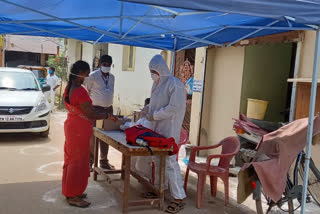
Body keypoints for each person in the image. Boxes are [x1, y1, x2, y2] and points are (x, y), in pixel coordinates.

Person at [63, 60, 117, 208]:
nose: (87, 76)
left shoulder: (69, 87)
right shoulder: (79, 91)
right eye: (86, 74)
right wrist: (107, 116)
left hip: (72, 126)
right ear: (80, 73)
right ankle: (73, 195)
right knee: (77, 162)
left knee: (71, 159)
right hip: (78, 130)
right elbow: (90, 113)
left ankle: (72, 191)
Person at [144, 54, 187, 213]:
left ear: (161, 69)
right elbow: (153, 104)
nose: (152, 73)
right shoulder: (156, 84)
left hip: (169, 129)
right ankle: (158, 190)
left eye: (154, 70)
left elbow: (173, 108)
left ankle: (179, 197)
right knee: (156, 160)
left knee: (169, 163)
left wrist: (154, 115)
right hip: (157, 129)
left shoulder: (174, 84)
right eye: (151, 71)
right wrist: (146, 110)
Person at [84, 55, 115, 170]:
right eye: (104, 64)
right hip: (95, 109)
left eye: (108, 65)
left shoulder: (112, 77)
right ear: (100, 64)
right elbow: (87, 92)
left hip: (108, 110)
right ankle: (90, 162)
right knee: (93, 136)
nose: (106, 66)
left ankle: (103, 161)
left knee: (106, 136)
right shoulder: (92, 76)